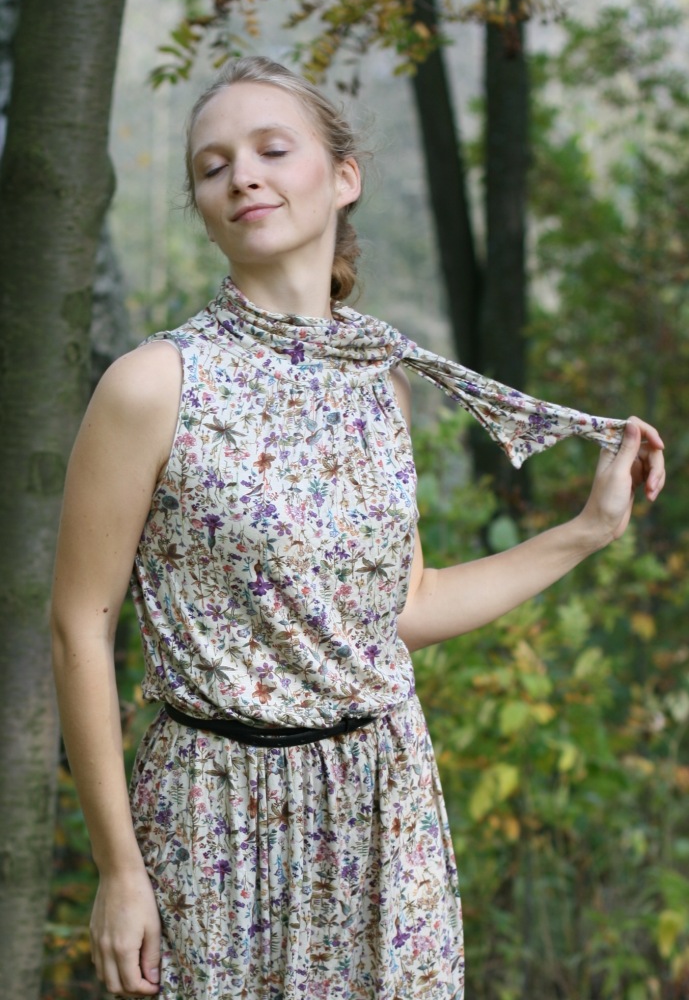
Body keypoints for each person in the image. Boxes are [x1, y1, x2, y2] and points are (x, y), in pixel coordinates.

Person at [51, 56, 666, 1000]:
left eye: (271, 150)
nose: (241, 176)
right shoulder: (154, 385)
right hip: (216, 819)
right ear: (203, 208)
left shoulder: (380, 384)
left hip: (383, 807)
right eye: (212, 166)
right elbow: (78, 627)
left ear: (343, 178)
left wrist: (586, 530)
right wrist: (119, 868)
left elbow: (404, 608)